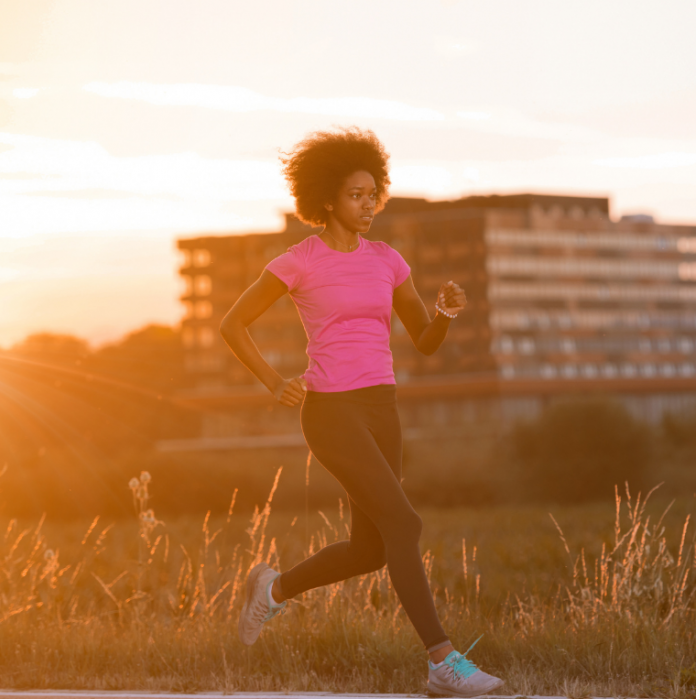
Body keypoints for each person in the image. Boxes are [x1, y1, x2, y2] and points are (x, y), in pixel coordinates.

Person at [219, 126, 503, 698]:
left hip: (381, 406)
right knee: (404, 523)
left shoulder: (388, 261)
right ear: (326, 198)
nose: (368, 203)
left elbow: (422, 339)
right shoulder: (298, 262)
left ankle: (272, 590)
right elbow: (232, 323)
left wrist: (445, 313)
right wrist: (275, 382)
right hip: (330, 411)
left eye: (374, 192)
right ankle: (442, 663)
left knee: (372, 549)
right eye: (356, 194)